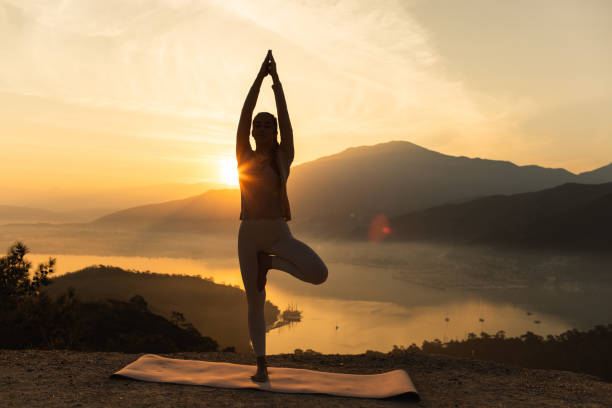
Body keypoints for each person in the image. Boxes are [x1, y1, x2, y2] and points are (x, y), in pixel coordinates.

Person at [236, 50, 328, 383]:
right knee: (254, 302)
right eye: (257, 125)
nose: (259, 126)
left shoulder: (283, 157)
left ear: (273, 131)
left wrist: (276, 84)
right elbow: (244, 116)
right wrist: (257, 78)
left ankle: (270, 264)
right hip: (248, 235)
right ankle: (261, 364)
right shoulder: (243, 155)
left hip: (278, 235)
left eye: (266, 124)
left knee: (318, 273)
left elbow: (287, 121)